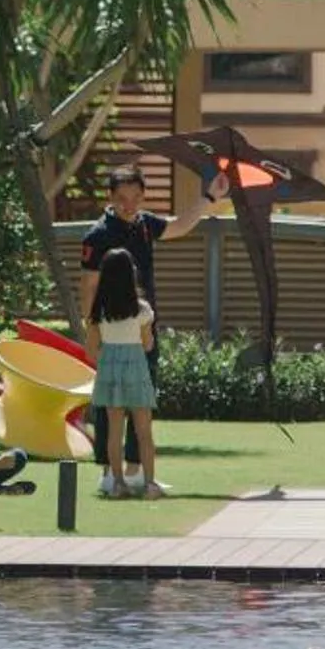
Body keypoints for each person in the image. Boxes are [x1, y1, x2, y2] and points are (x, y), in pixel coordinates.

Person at [78, 166, 221, 495]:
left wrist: (210, 196)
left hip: (141, 327)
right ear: (111, 198)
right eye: (122, 198)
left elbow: (178, 226)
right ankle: (107, 474)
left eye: (136, 197)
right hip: (111, 332)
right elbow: (88, 285)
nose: (130, 204)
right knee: (109, 406)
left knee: (141, 401)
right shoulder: (97, 235)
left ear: (143, 196)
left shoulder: (145, 224)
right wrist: (90, 331)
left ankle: (135, 472)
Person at [82, 249, 163, 499]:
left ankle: (117, 483)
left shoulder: (99, 311)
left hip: (109, 367)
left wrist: (108, 357)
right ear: (131, 275)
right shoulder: (142, 309)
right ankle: (150, 485)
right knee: (144, 432)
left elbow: (91, 350)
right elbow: (148, 344)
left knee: (114, 432)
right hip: (136, 366)